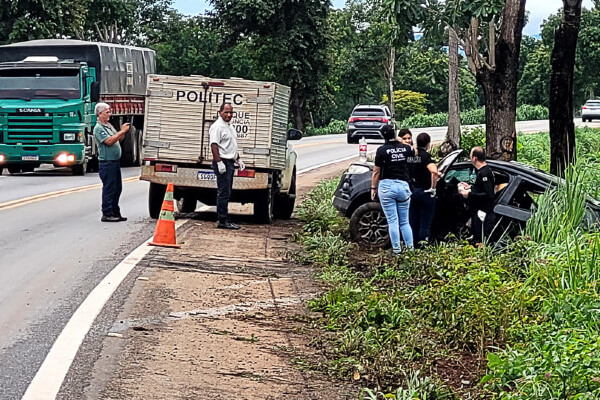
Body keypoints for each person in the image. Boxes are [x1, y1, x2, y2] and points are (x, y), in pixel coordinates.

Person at [371, 125, 414, 254]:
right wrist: (402, 144)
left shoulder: (381, 150)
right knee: (405, 221)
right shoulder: (406, 148)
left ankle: (396, 250)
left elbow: (376, 172)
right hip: (403, 186)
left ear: (383, 136)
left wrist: (373, 188)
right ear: (395, 134)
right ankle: (410, 250)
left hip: (387, 187)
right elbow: (415, 154)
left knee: (393, 221)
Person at [210, 103, 245, 230]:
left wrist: (238, 158)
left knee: (227, 191)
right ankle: (223, 220)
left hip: (230, 161)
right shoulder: (217, 127)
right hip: (223, 161)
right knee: (223, 192)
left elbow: (231, 145)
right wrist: (219, 162)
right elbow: (214, 145)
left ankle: (224, 218)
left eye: (231, 112)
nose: (229, 115)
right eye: (226, 112)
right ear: (220, 112)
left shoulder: (229, 127)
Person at [93, 102, 129, 222]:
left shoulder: (108, 125)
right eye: (107, 112)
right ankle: (107, 213)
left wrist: (122, 133)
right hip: (106, 163)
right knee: (109, 188)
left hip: (115, 162)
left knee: (117, 188)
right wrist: (121, 131)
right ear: (100, 113)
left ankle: (115, 212)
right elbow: (109, 141)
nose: (109, 114)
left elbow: (118, 138)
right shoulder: (98, 128)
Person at [458, 146, 496, 242]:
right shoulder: (482, 172)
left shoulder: (484, 173)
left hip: (483, 212)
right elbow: (480, 189)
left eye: (470, 155)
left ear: (474, 158)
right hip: (479, 211)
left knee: (480, 239)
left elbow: (489, 194)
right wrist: (470, 187)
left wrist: (469, 194)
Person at [408, 132, 439, 244]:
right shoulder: (426, 156)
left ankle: (413, 244)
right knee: (425, 223)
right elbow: (434, 172)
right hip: (425, 192)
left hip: (412, 191)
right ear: (428, 144)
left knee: (413, 221)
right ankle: (423, 244)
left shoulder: (412, 156)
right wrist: (433, 188)